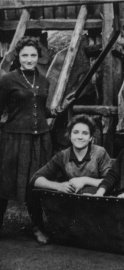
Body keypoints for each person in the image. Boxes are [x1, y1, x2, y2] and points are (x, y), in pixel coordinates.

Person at [0, 36, 53, 244]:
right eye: (25, 55)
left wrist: (53, 111)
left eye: (33, 55)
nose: (29, 59)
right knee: (4, 184)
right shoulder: (7, 80)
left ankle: (38, 227)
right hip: (13, 139)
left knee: (35, 184)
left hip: (40, 139)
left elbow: (40, 108)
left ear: (37, 57)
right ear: (18, 57)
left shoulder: (44, 80)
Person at [30, 114, 112, 195]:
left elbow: (111, 181)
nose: (80, 137)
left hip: (95, 200)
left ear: (91, 138)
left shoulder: (99, 152)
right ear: (70, 135)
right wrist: (58, 186)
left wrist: (84, 180)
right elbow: (35, 179)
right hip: (72, 201)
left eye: (85, 133)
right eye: (76, 132)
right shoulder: (63, 155)